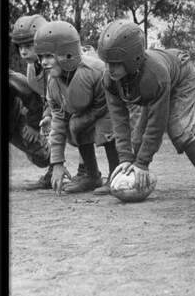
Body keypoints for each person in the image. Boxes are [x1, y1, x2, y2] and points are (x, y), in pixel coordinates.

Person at [97, 20, 195, 200]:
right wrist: (126, 158)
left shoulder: (154, 75)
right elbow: (119, 121)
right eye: (107, 63)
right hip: (155, 88)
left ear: (133, 59)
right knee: (137, 137)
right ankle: (132, 174)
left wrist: (142, 163)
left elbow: (157, 123)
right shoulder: (109, 79)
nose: (109, 69)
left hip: (182, 76)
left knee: (177, 128)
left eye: (115, 63)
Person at [34, 20, 119, 195]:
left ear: (68, 53)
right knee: (74, 126)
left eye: (49, 56)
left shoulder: (96, 71)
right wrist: (57, 163)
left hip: (111, 108)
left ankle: (116, 175)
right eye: (41, 57)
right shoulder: (53, 83)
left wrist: (80, 121)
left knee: (106, 128)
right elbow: (58, 122)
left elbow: (111, 106)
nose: (43, 62)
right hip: (91, 109)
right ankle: (91, 176)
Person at [9, 14, 52, 189]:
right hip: (50, 107)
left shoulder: (56, 64)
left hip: (67, 107)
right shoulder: (31, 68)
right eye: (20, 47)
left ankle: (86, 170)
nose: (24, 52)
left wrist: (34, 125)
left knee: (72, 129)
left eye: (29, 46)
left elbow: (32, 97)